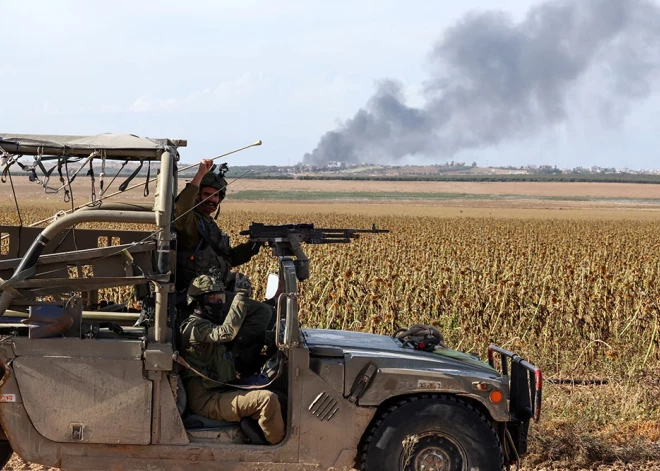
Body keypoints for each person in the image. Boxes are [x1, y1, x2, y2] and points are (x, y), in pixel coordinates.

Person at [174, 159, 273, 375]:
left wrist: (253, 245)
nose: (212, 200)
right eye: (207, 194)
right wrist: (200, 174)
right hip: (199, 298)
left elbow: (228, 258)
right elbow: (180, 210)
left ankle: (231, 357)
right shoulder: (191, 223)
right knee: (261, 313)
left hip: (216, 293)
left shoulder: (208, 225)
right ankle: (240, 367)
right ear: (197, 195)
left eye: (217, 196)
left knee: (271, 313)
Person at [179, 274, 285, 445]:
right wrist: (241, 296)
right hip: (207, 398)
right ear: (198, 302)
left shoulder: (209, 322)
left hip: (220, 389)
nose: (219, 303)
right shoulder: (194, 328)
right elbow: (227, 333)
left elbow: (241, 330)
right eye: (213, 299)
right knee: (267, 400)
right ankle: (279, 453)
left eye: (221, 298)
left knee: (282, 397)